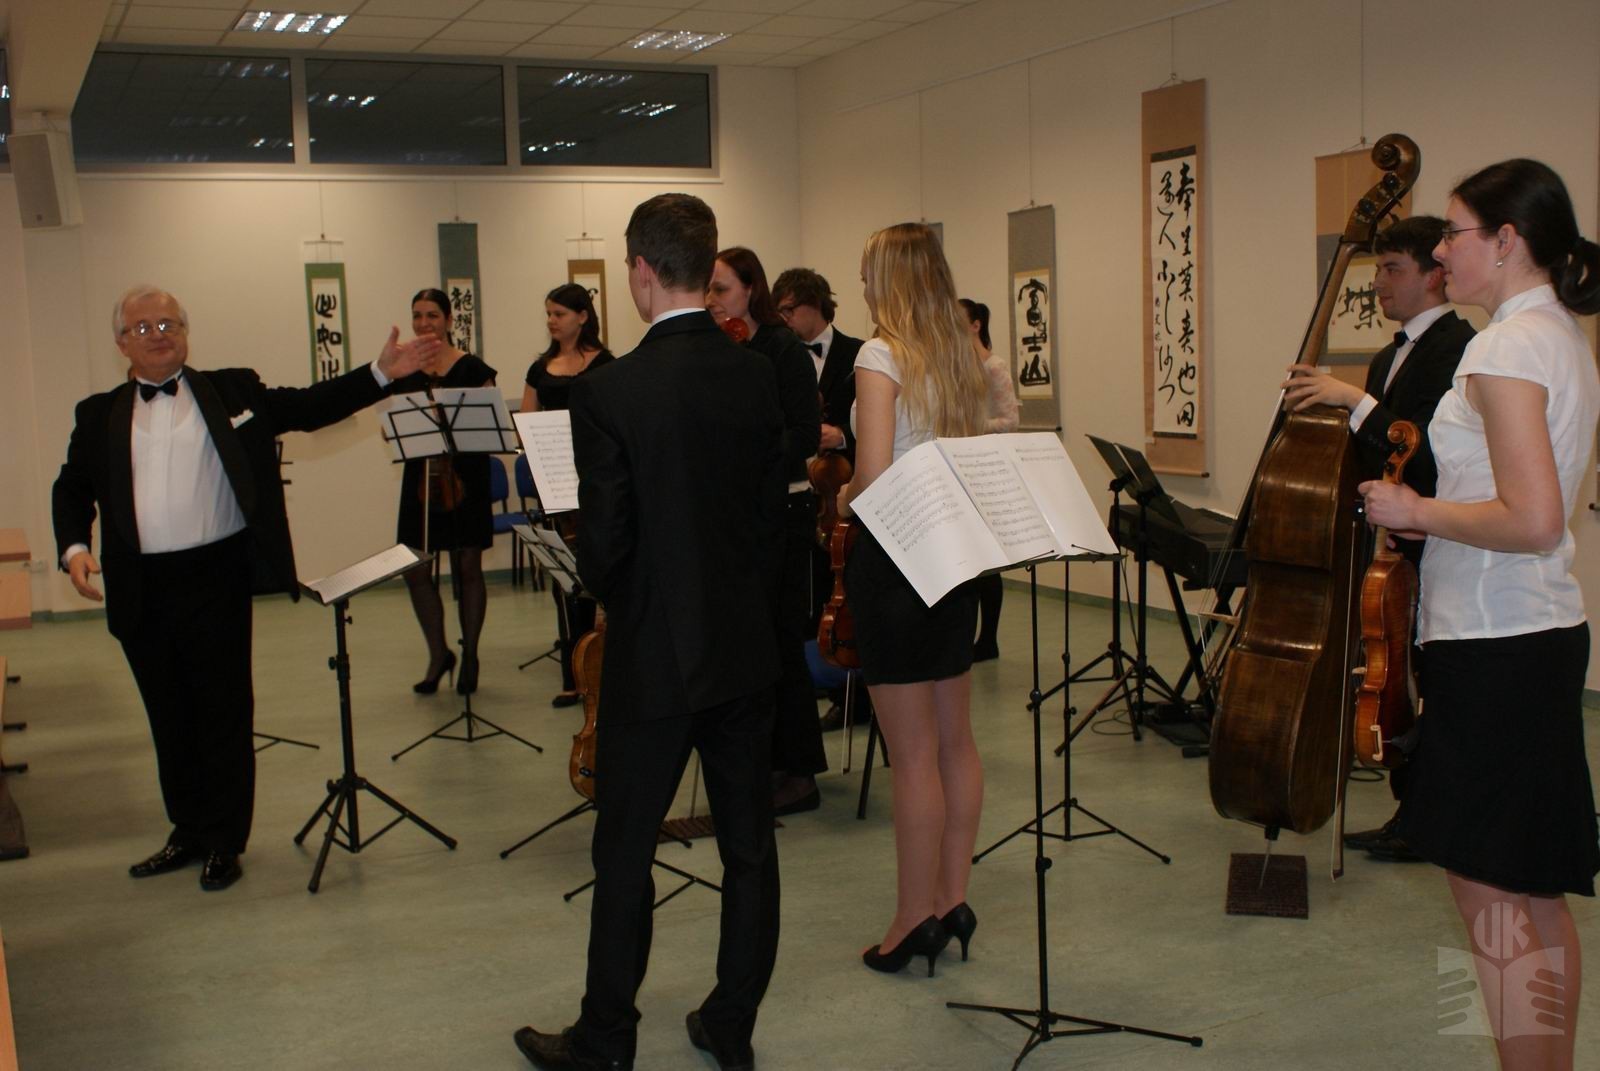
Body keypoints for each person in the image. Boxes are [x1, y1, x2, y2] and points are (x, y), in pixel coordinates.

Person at [513, 193, 786, 1071]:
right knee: (748, 846)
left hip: (655, 655)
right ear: (708, 268)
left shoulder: (608, 390)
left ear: (638, 270)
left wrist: (603, 586)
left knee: (626, 848)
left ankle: (606, 1038)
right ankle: (731, 1023)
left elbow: (609, 542)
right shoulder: (757, 374)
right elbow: (768, 520)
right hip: (743, 648)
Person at [52, 285, 434, 891]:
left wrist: (380, 374)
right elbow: (72, 487)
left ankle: (225, 841)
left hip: (215, 574)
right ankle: (188, 829)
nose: (159, 335)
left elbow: (308, 406)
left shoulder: (232, 390)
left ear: (186, 332)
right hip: (140, 584)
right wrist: (75, 549)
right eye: (143, 327)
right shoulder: (97, 413)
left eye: (169, 323)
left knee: (224, 713)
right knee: (168, 717)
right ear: (121, 343)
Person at [1360, 159, 1600, 1071]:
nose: (1442, 254)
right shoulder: (1558, 336)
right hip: (1535, 633)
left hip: (1495, 642)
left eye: (1454, 235)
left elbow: (1532, 518)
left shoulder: (1503, 348)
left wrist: (1415, 510)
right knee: (1532, 891)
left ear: (1506, 242)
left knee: (1492, 897)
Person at [1280, 215, 1475, 863]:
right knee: (1395, 677)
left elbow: (1422, 452)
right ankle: (1411, 810)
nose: (1379, 282)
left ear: (1434, 275)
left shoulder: (1459, 347)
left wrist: (1351, 400)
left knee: (1421, 682)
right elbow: (1374, 450)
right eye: (1377, 268)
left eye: (1393, 269)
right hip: (1390, 541)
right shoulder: (1388, 355)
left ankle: (1425, 816)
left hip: (1435, 541)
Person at [841, 223, 988, 975]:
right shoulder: (961, 355)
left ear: (890, 279)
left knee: (912, 756)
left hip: (895, 560)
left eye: (868, 271)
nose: (862, 285)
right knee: (955, 741)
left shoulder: (880, 355)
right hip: (954, 557)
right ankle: (952, 898)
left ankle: (910, 920)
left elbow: (872, 476)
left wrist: (841, 498)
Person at [708, 248, 825, 816]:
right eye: (708, 290)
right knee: (749, 646)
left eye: (721, 289)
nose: (712, 300)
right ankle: (761, 761)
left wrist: (743, 446)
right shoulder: (718, 349)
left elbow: (804, 434)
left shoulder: (784, 350)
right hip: (737, 514)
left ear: (750, 290)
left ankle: (799, 772)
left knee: (781, 642)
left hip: (785, 511)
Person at [772, 267, 866, 733]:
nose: (784, 319)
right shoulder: (776, 355)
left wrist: (840, 435)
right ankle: (813, 684)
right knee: (806, 601)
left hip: (839, 494)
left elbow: (875, 424)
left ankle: (853, 695)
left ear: (815, 304)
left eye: (790, 309)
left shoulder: (858, 353)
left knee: (845, 595)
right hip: (794, 498)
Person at [392, 288, 497, 697]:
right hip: (420, 477)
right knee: (415, 568)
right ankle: (439, 654)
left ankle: (470, 654)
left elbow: (488, 427)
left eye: (432, 315)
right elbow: (394, 426)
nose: (423, 323)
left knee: (467, 564)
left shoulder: (473, 368)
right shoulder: (405, 369)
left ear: (449, 321)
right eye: (417, 315)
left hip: (465, 476)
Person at [520, 283, 615, 708]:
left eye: (558, 313)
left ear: (582, 316)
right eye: (548, 314)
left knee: (597, 572)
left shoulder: (606, 363)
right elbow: (526, 424)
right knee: (565, 579)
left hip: (595, 479)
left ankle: (600, 666)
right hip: (556, 480)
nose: (551, 321)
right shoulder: (540, 368)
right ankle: (571, 675)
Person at [960, 298, 1018, 663]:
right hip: (961, 466)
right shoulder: (956, 368)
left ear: (976, 324)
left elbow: (1010, 421)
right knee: (967, 560)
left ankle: (989, 639)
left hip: (987, 470)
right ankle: (965, 638)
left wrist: (970, 426)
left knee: (987, 562)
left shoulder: (994, 367)